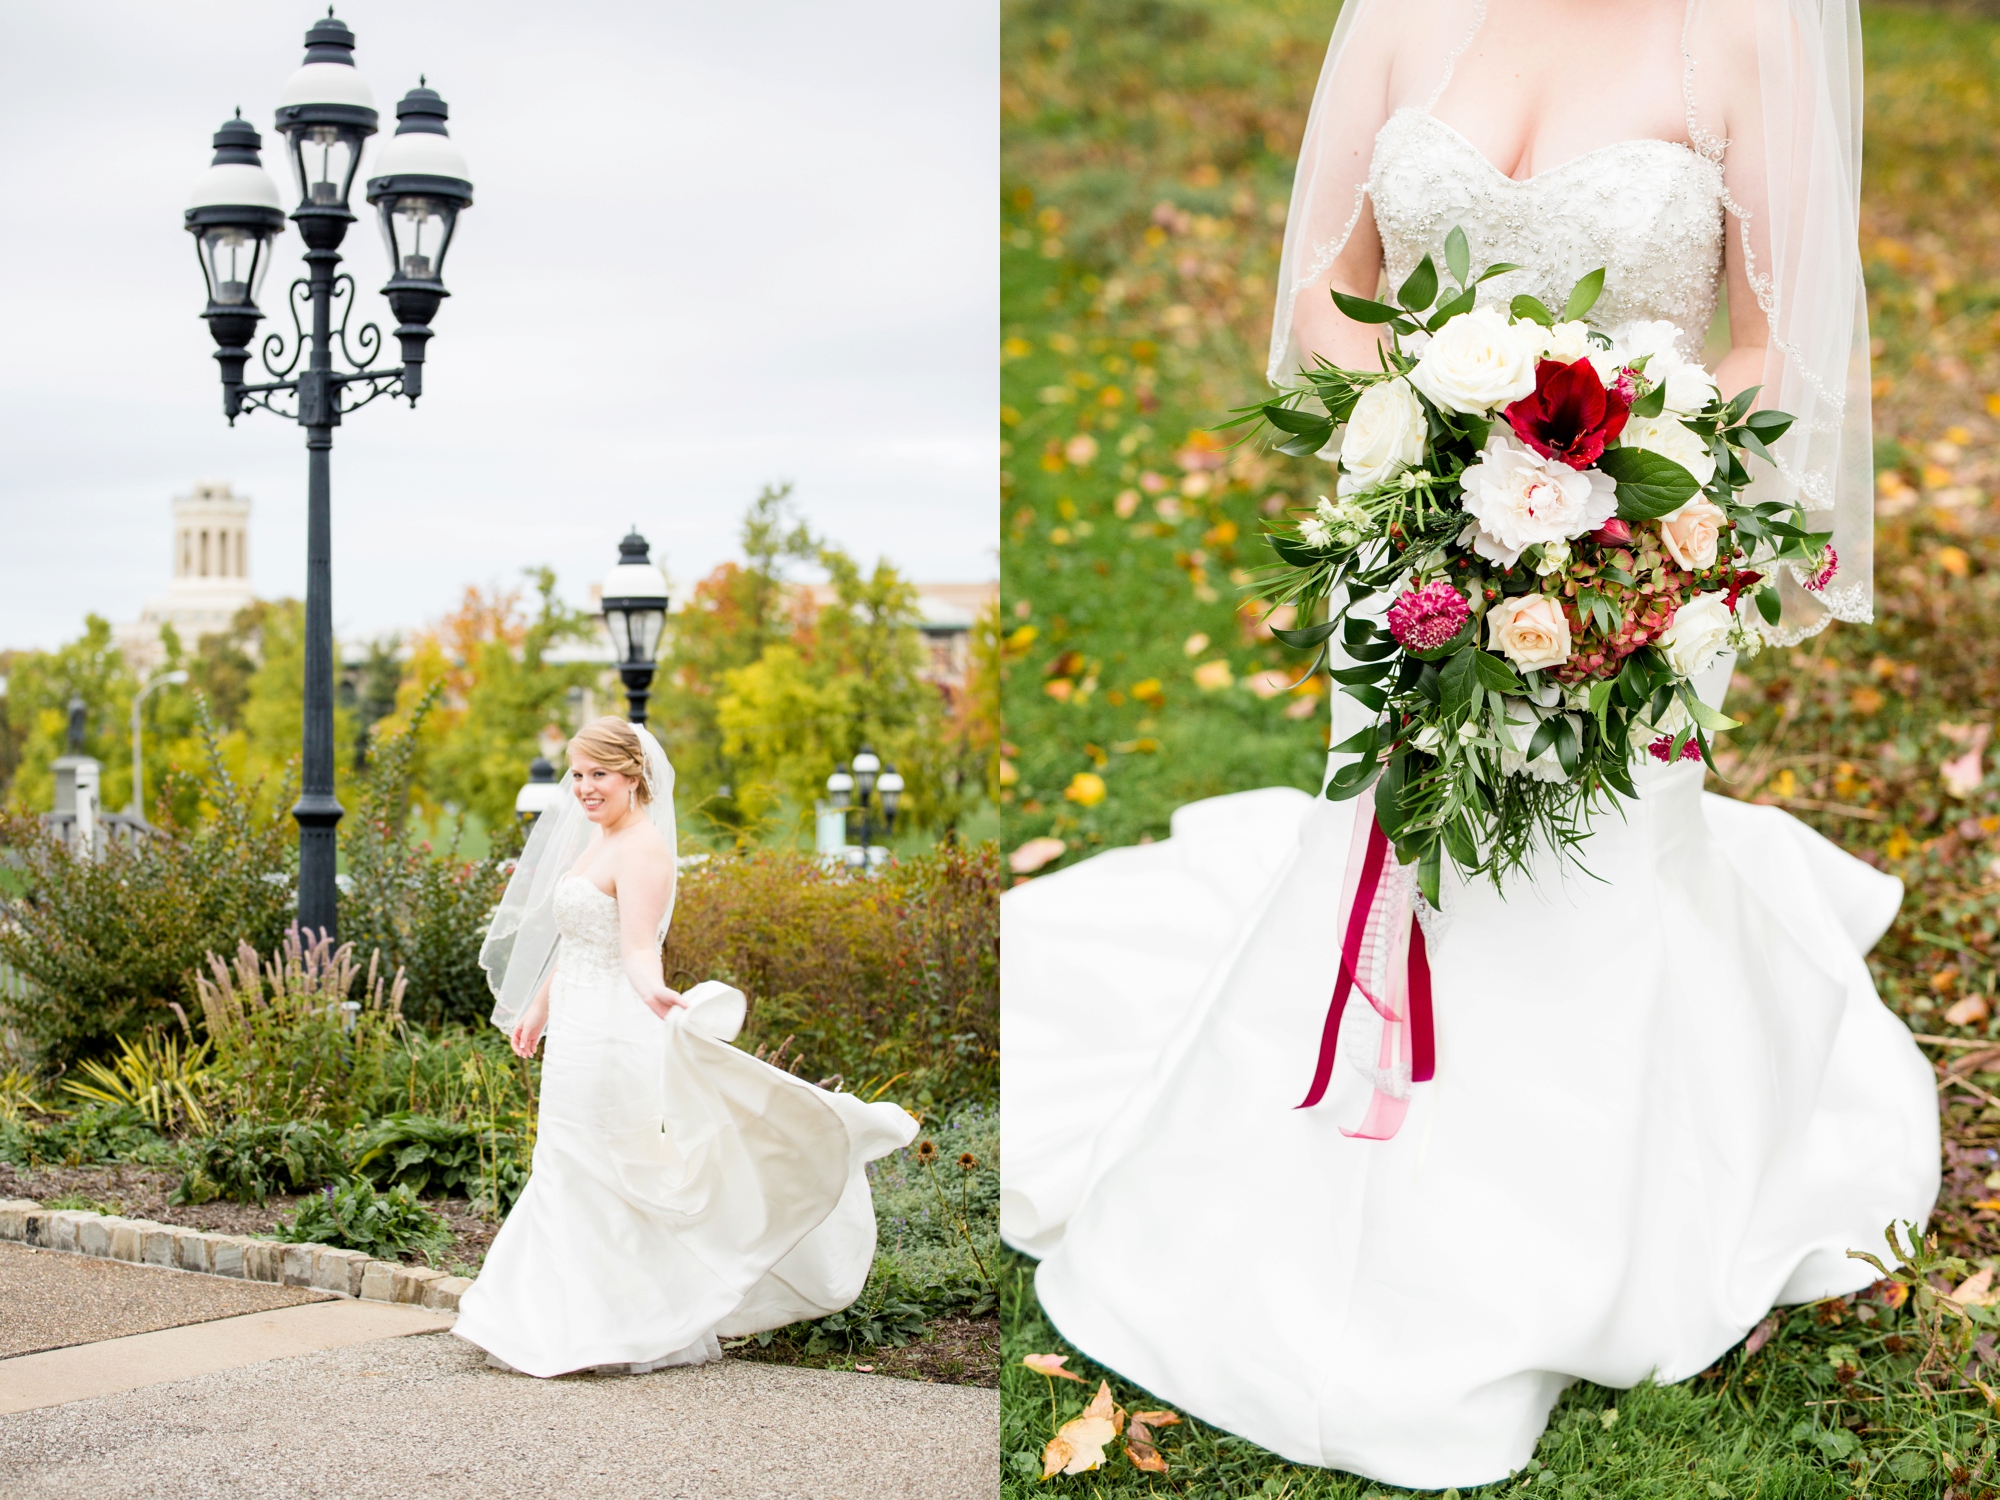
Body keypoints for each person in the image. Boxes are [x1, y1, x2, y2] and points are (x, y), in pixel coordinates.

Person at [999, 0, 1939, 1487]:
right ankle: (1330, 1179)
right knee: (1395, 853)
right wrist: (1438, 420)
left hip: (1617, 562)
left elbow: (1777, 341)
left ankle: (1545, 1234)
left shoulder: (1738, 38)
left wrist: (1630, 465)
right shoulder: (1400, 21)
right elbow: (1327, 286)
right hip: (1423, 553)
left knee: (1575, 886)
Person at [454, 716, 917, 1377]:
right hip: (577, 1028)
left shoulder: (642, 848)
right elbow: (582, 937)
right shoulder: (596, 840)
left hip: (615, 1031)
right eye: (578, 774)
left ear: (633, 775)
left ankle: (618, 1324)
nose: (584, 788)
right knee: (565, 1161)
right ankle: (564, 1321)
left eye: (599, 775)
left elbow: (638, 948)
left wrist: (657, 995)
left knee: (606, 1165)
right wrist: (538, 1005)